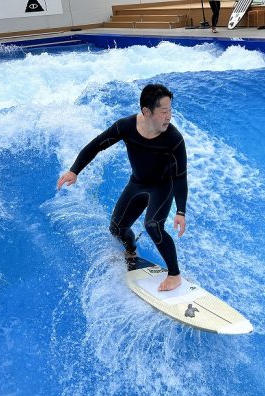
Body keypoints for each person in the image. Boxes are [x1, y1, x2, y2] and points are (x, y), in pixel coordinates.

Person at [56, 84, 188, 292]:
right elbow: (96, 145)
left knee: (153, 225)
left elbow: (180, 177)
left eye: (170, 110)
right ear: (146, 111)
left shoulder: (174, 139)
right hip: (138, 183)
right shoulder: (126, 126)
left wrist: (180, 211)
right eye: (164, 112)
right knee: (117, 229)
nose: (168, 116)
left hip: (163, 187)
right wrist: (74, 170)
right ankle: (131, 249)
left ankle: (174, 274)